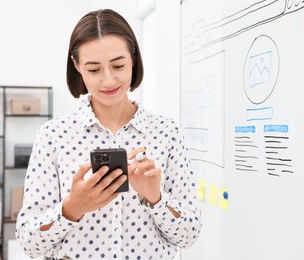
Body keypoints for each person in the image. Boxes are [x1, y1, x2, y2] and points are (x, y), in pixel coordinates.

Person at [15, 8, 201, 260]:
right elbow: (29, 244)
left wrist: (155, 197)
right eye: (94, 69)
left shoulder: (167, 132)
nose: (109, 80)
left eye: (118, 65)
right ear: (76, 65)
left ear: (134, 60)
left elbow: (188, 236)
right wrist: (72, 208)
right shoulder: (53, 135)